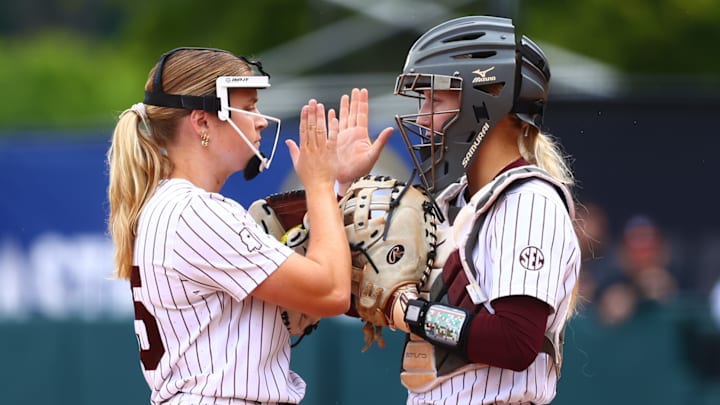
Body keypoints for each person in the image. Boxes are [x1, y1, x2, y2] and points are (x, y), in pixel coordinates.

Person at [105, 47, 388, 405]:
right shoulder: (196, 212)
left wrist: (342, 185)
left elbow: (310, 299)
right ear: (202, 121)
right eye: (249, 107)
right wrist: (319, 183)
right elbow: (331, 291)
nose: (262, 120)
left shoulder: (173, 205)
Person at [374, 16, 582, 404]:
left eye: (435, 99)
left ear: (486, 102)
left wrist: (412, 313)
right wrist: (337, 183)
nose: (422, 117)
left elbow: (515, 342)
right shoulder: (454, 201)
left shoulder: (529, 201)